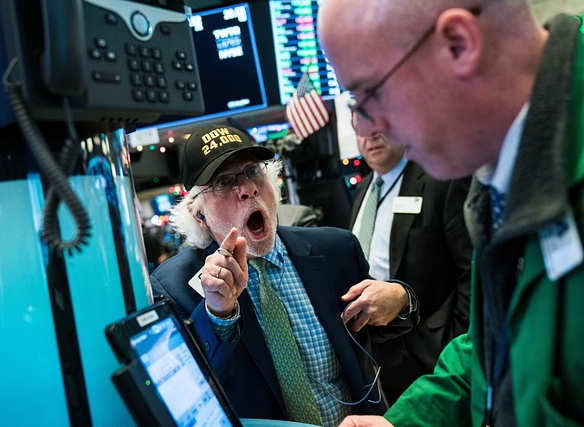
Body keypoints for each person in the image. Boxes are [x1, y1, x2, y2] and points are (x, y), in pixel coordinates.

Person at [318, 0, 584, 426]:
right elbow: (493, 350)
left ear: (459, 44)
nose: (366, 129)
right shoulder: (495, 173)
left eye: (368, 95)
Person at [150, 124, 420, 427]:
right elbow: (188, 396)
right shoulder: (176, 286)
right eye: (224, 182)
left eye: (253, 171)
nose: (248, 189)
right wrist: (217, 314)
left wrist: (402, 300)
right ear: (199, 214)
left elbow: (384, 333)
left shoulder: (335, 248)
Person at [349, 113, 472, 403]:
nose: (370, 135)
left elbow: (472, 270)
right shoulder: (362, 189)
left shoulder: (439, 178)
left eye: (376, 119)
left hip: (433, 356)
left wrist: (448, 341)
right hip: (376, 360)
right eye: (360, 125)